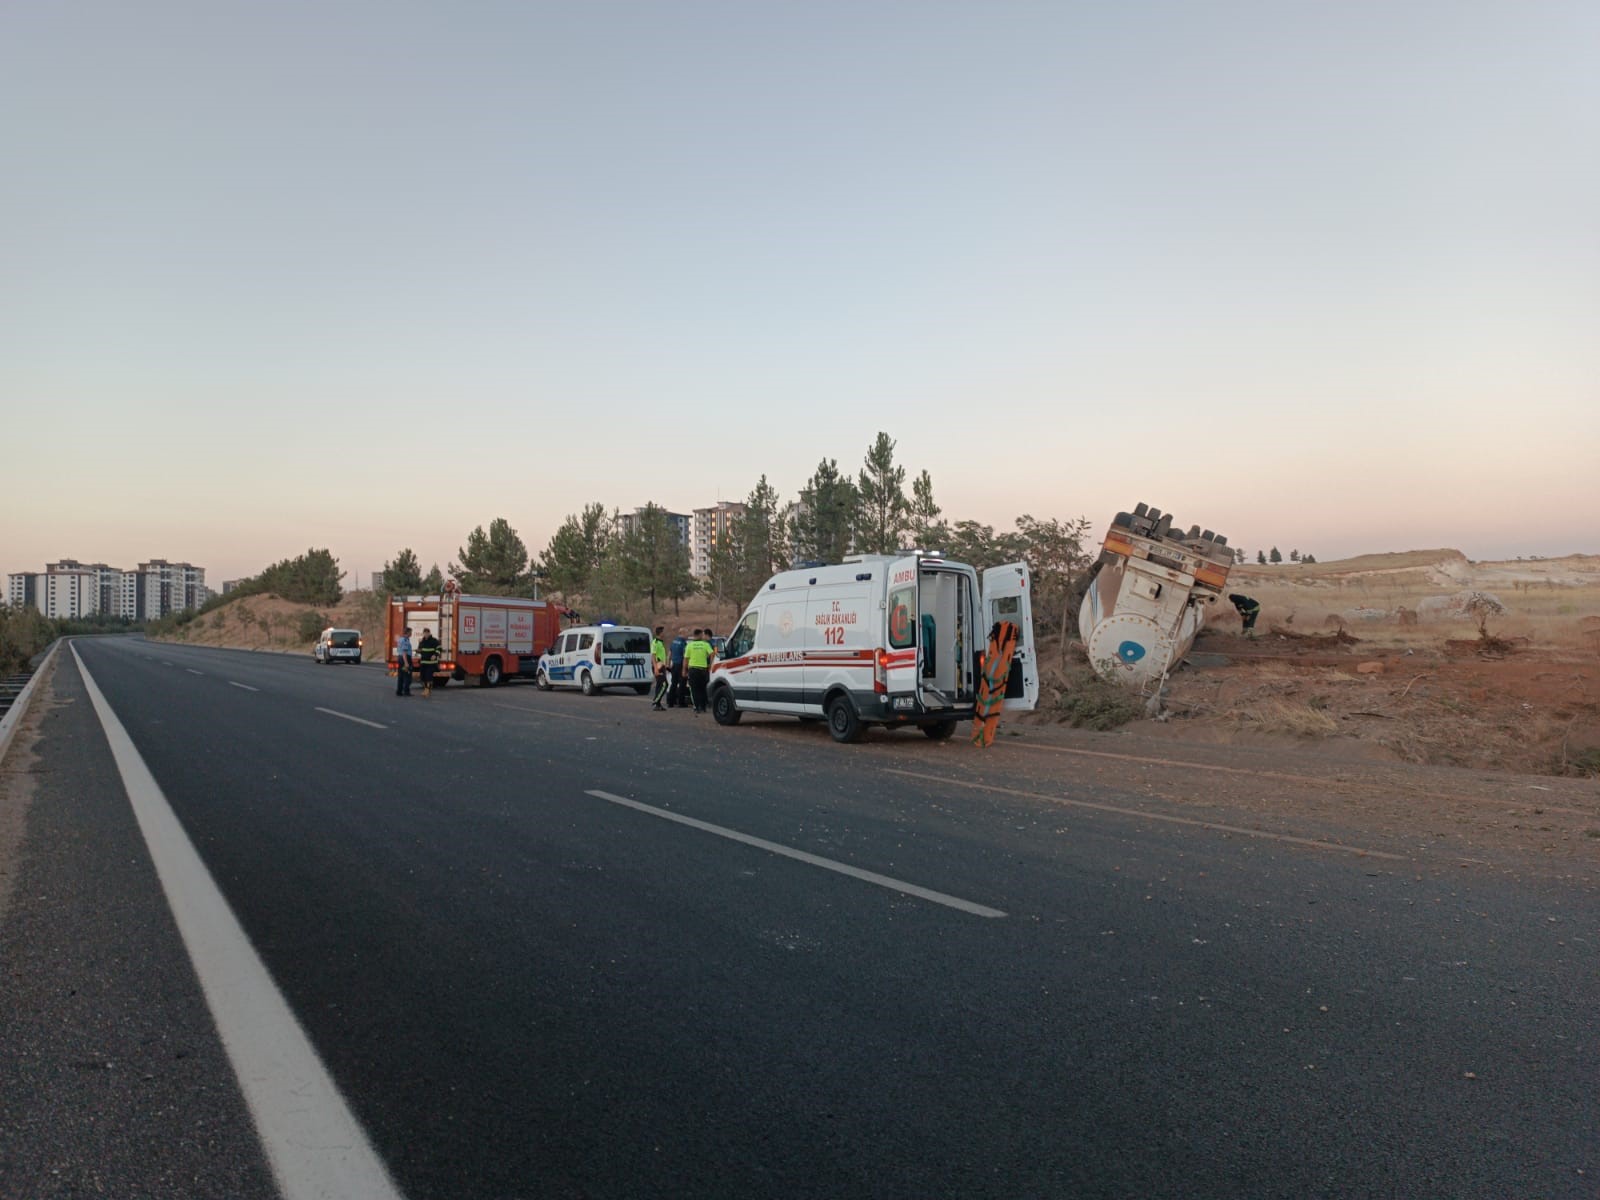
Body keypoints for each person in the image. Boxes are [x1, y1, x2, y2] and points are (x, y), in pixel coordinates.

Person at [684, 627, 716, 715]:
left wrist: (684, 670)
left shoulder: (689, 645)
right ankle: (703, 707)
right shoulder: (705, 644)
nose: (703, 636)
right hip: (703, 670)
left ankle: (696, 707)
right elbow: (712, 654)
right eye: (702, 634)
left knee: (694, 689)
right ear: (699, 635)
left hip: (693, 670)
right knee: (702, 689)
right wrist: (710, 664)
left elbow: (686, 659)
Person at [416, 626, 442, 696]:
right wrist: (418, 651)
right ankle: (426, 689)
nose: (426, 634)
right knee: (423, 677)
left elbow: (439, 649)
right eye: (424, 633)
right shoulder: (422, 641)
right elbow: (420, 649)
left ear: (429, 633)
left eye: (427, 633)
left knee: (429, 677)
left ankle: (427, 690)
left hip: (431, 663)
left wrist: (435, 655)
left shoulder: (434, 641)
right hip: (423, 662)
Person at [650, 625, 670, 710]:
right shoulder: (655, 642)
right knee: (664, 685)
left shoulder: (661, 642)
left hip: (662, 666)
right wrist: (656, 668)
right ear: (660, 633)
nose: (664, 634)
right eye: (663, 632)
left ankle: (658, 705)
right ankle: (656, 701)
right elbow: (653, 656)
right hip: (658, 667)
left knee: (659, 685)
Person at [668, 629, 689, 708]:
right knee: (682, 685)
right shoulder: (683, 643)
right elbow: (685, 657)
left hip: (674, 665)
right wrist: (685, 668)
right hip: (681, 665)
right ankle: (681, 702)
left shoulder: (673, 642)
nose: (687, 635)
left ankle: (670, 702)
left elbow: (669, 654)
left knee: (673, 684)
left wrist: (668, 664)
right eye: (686, 633)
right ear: (682, 633)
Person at [394, 626, 414, 696]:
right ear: (408, 632)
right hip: (405, 659)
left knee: (401, 676)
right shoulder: (405, 640)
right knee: (407, 676)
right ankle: (406, 691)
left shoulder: (400, 639)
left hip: (400, 658)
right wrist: (406, 663)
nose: (411, 633)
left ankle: (399, 691)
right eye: (411, 632)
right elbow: (404, 652)